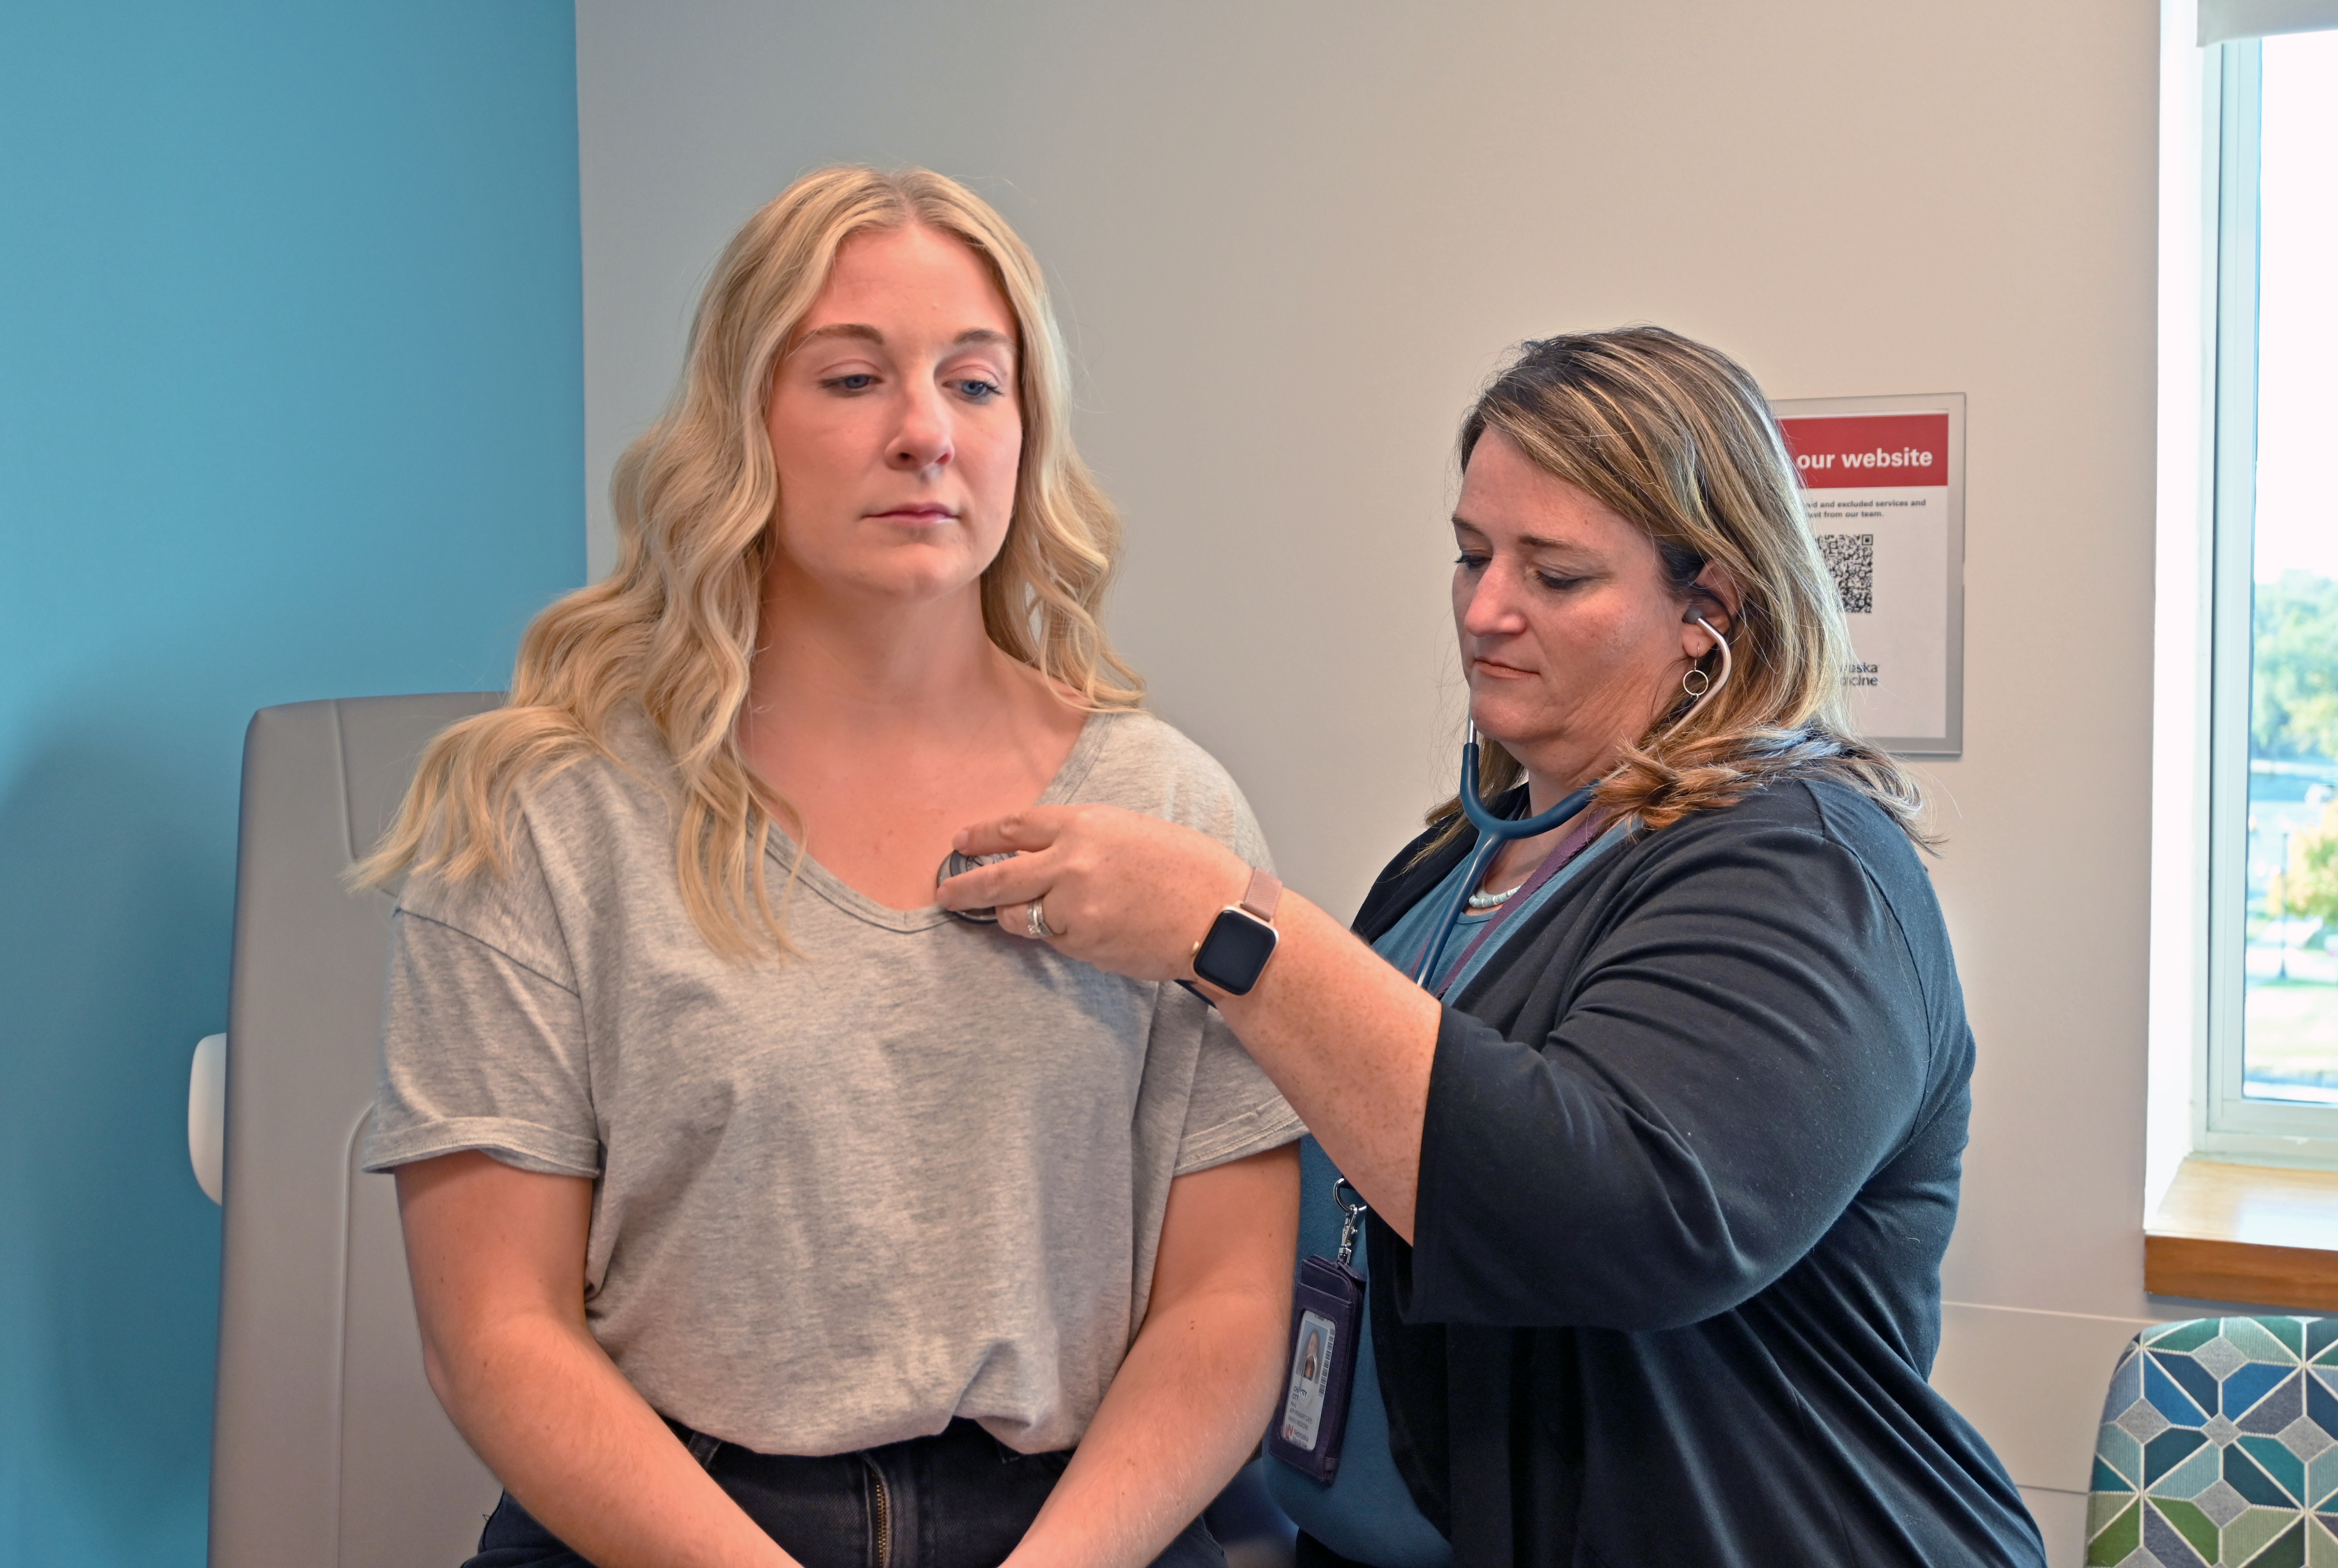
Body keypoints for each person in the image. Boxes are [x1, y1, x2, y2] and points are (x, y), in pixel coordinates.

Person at [937, 327, 2049, 1567]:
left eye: (1557, 575)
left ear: (1710, 606)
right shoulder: (1453, 861)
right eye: (1471, 556)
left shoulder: (1807, 863)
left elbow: (1621, 1218)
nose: (1485, 610)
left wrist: (1225, 926)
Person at [355, 166, 1303, 1568]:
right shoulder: (550, 814)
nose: (926, 435)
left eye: (977, 385)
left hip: (1082, 1526)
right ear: (743, 423)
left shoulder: (1165, 810)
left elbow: (1226, 1305)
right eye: (854, 379)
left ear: (1028, 434)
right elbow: (496, 1332)